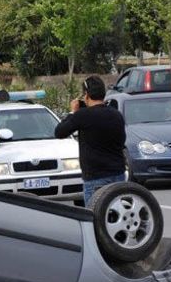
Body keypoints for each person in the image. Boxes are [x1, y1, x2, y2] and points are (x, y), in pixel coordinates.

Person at [54, 75, 126, 206]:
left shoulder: (82, 115)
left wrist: (73, 112)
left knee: (95, 216)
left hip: (95, 178)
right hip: (118, 174)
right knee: (114, 213)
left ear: (86, 95)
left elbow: (59, 132)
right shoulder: (117, 115)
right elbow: (122, 141)